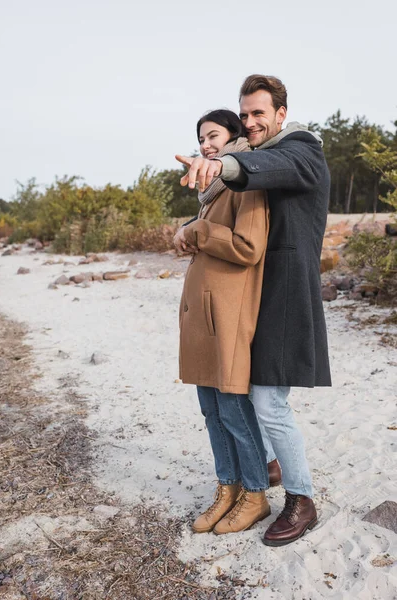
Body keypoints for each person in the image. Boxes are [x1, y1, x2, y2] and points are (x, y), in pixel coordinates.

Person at [175, 74, 331, 547]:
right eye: (244, 115)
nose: (250, 122)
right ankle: (261, 469)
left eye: (259, 113)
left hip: (284, 295)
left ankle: (302, 500)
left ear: (281, 114)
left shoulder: (303, 148)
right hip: (256, 296)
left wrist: (222, 164)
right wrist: (193, 220)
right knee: (240, 394)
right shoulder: (259, 154)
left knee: (267, 402)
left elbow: (263, 169)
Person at [178, 109, 272, 535]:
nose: (205, 145)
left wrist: (197, 231)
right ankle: (228, 487)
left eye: (213, 135)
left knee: (234, 408)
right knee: (211, 411)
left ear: (234, 136)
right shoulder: (212, 193)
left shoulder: (246, 182)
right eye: (200, 139)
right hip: (203, 318)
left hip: (229, 315)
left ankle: (256, 494)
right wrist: (191, 230)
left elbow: (249, 247)